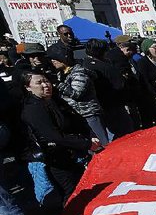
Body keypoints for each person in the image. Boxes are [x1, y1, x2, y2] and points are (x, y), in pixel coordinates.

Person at [19, 72, 100, 202]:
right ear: (28, 87)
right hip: (57, 159)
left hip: (74, 153)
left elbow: (77, 119)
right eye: (39, 83)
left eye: (46, 81)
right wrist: (86, 143)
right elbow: (54, 136)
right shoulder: (33, 109)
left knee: (86, 187)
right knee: (72, 194)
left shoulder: (55, 100)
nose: (46, 85)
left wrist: (90, 135)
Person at [46, 44, 107, 146]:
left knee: (101, 143)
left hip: (89, 114)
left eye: (55, 58)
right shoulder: (61, 73)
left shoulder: (79, 72)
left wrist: (57, 84)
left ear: (63, 58)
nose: (52, 61)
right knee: (91, 145)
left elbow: (77, 93)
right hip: (77, 116)